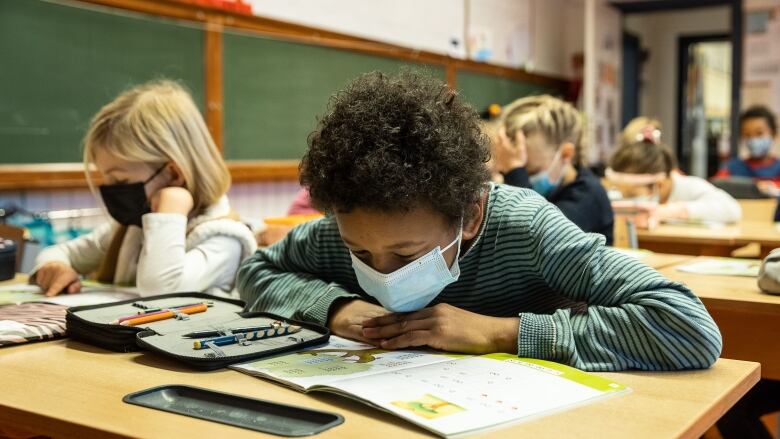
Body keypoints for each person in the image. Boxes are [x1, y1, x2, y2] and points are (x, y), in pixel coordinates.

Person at [237, 71, 721, 371]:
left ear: (467, 215)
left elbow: (687, 326)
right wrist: (336, 308)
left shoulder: (529, 229)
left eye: (406, 254)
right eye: (362, 255)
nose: (381, 272)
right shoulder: (344, 227)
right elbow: (256, 271)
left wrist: (499, 332)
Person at [31, 80, 256, 297]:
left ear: (174, 174)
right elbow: (60, 252)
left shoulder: (224, 239)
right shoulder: (131, 228)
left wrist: (170, 213)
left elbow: (160, 290)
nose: (112, 192)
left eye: (120, 182)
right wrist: (54, 267)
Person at [492, 95, 614, 244]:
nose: (521, 176)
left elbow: (533, 240)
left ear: (566, 154)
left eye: (530, 170)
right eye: (507, 170)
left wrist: (515, 171)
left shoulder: (589, 195)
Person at [607, 139, 741, 227]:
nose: (625, 199)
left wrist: (671, 212)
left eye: (631, 194)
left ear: (659, 184)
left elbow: (732, 210)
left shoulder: (690, 186)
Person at [716, 106, 780, 190]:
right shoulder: (732, 168)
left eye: (759, 133)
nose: (753, 139)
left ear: (773, 133)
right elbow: (715, 187)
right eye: (747, 134)